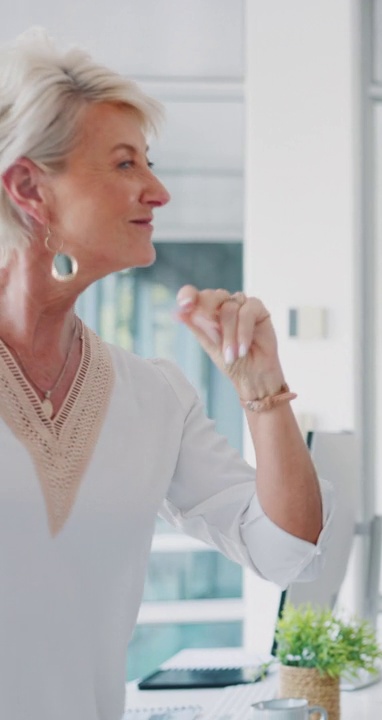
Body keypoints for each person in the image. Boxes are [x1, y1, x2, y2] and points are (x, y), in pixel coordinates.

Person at [0, 30, 332, 719]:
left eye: (148, 163)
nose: (158, 191)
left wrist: (260, 389)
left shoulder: (151, 395)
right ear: (29, 186)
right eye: (125, 165)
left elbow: (287, 551)